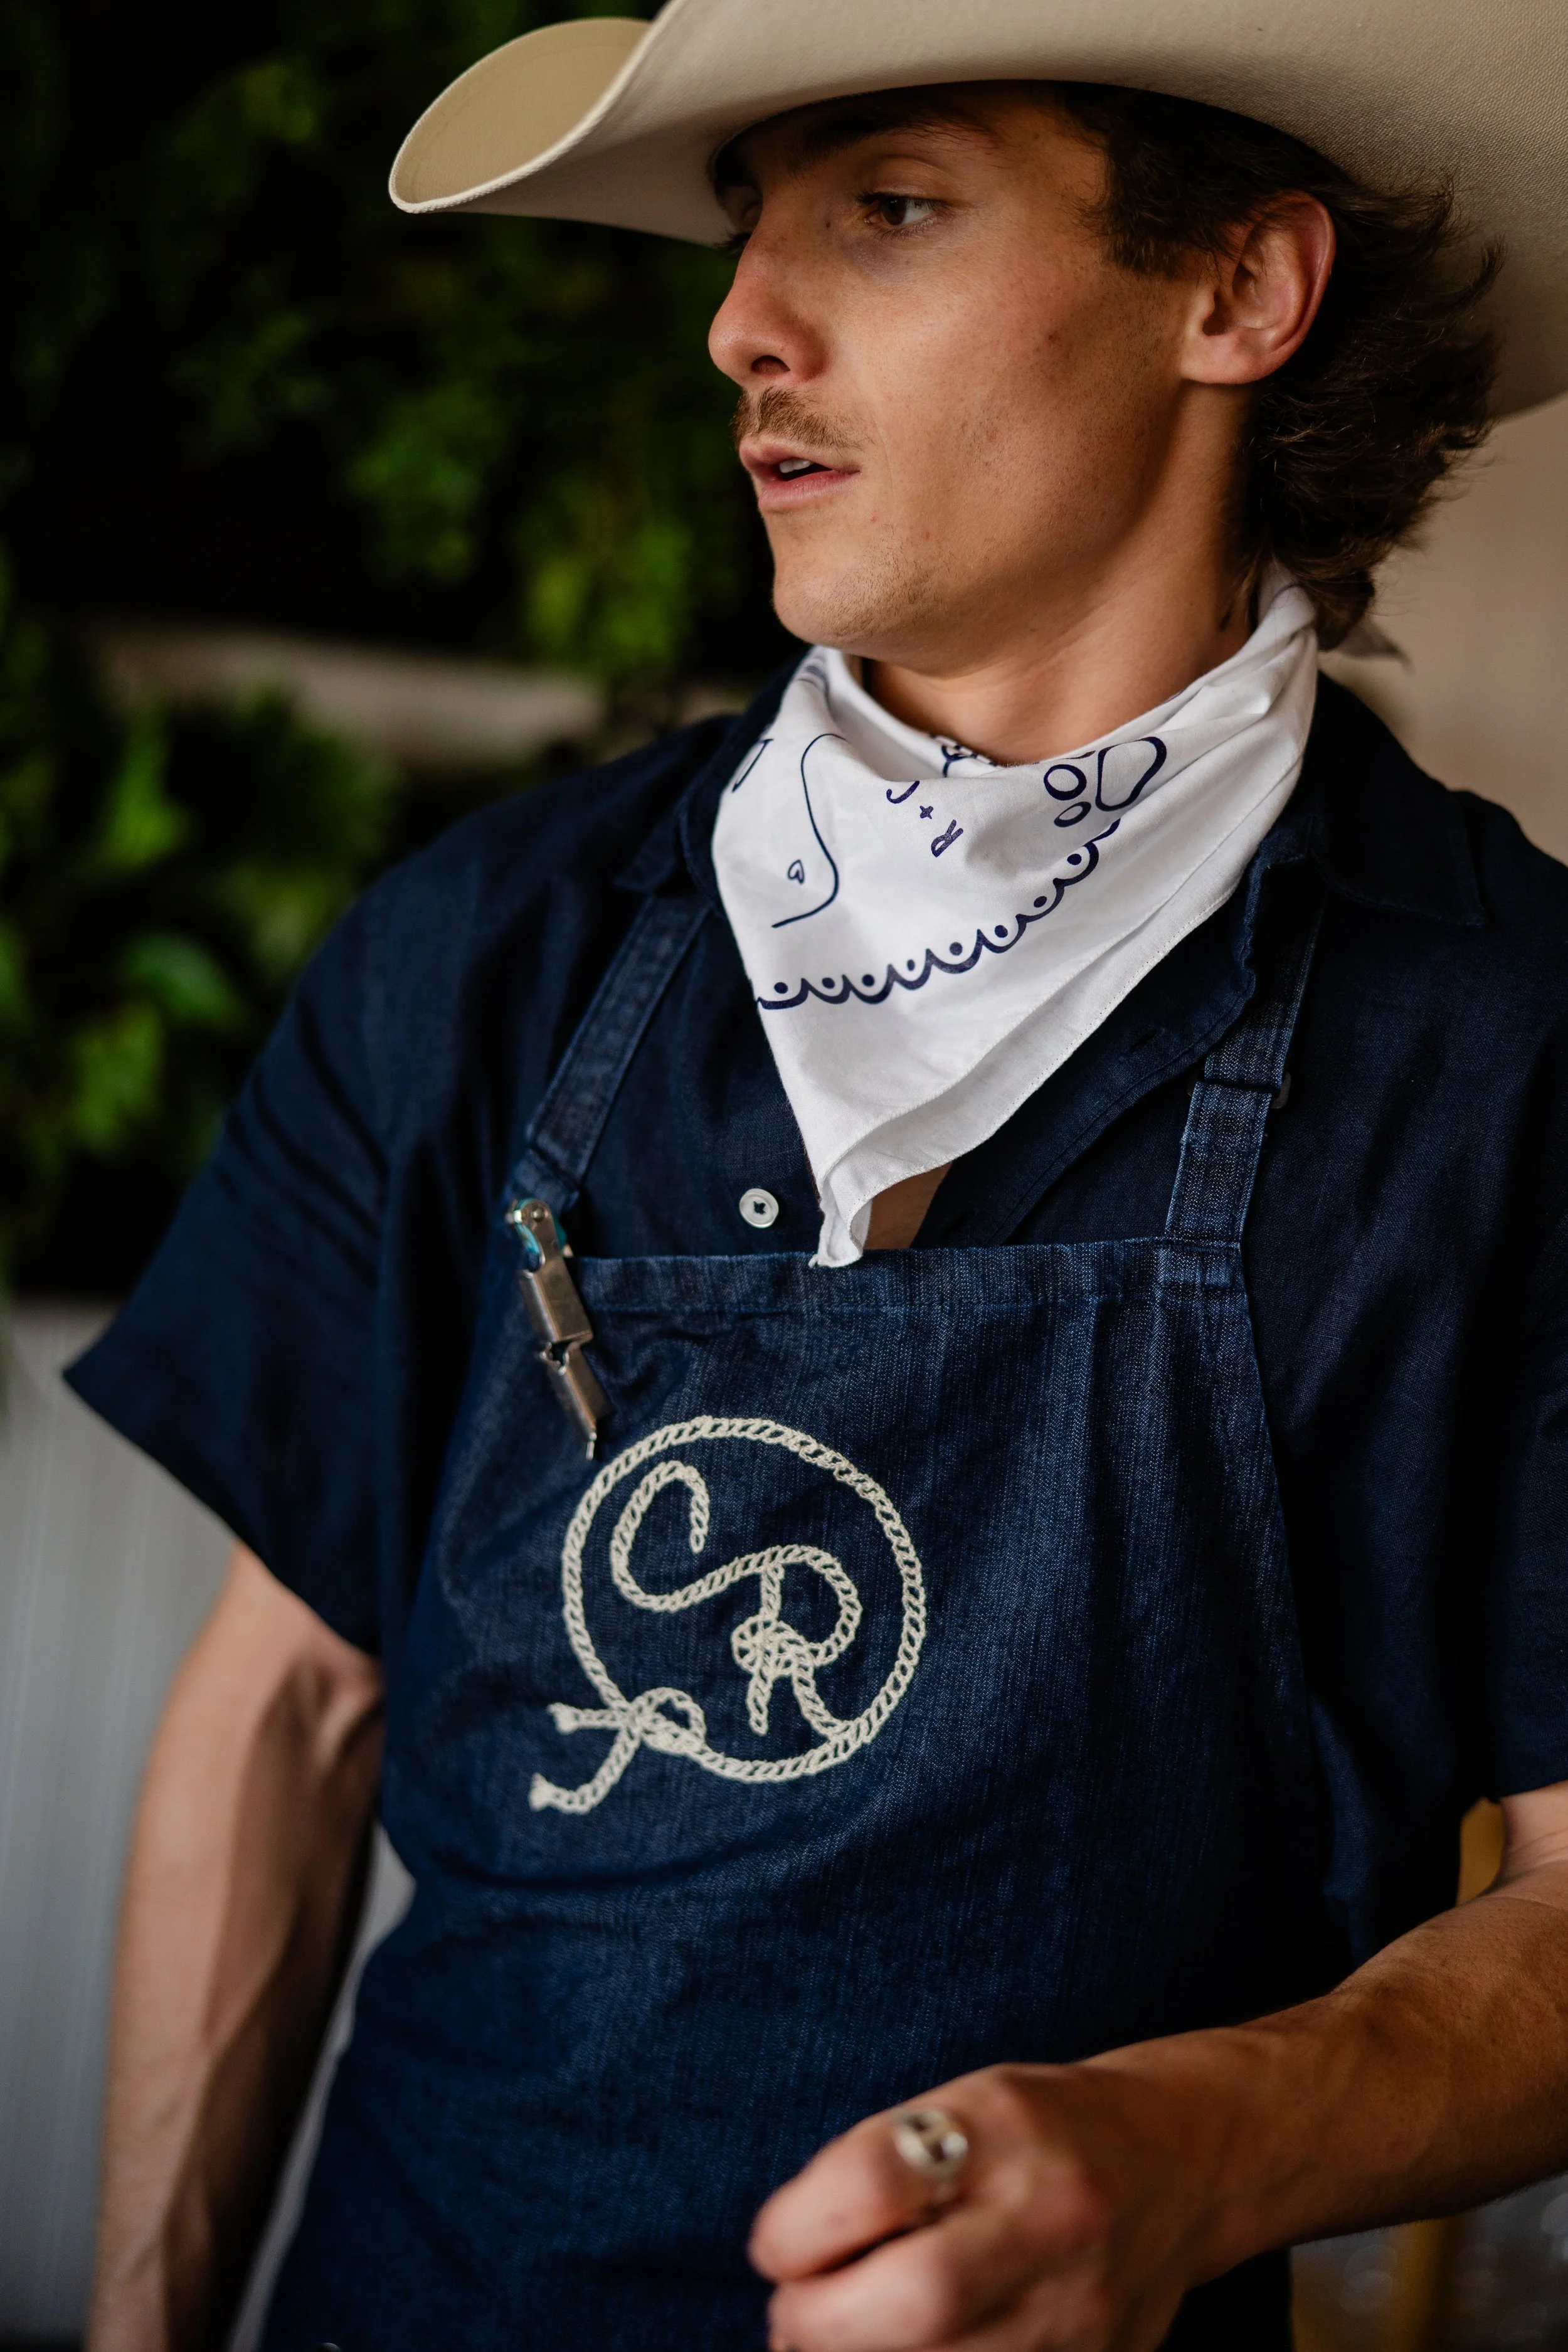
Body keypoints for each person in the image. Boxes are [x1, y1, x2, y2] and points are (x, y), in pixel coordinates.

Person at [70, 4, 1568, 2349]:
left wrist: (1186, 2151)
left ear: (1235, 296)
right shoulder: (483, 942)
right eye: (749, 222)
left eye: (885, 207)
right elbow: (288, 1697)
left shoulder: (1514, 1042)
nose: (737, 321)